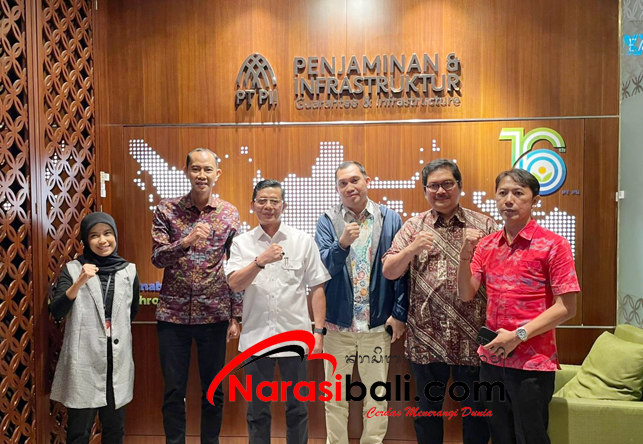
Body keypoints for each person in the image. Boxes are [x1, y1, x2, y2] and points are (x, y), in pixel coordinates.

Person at [458, 168, 579, 444]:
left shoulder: (553, 245)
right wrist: (464, 257)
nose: (509, 200)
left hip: (533, 364)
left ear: (534, 200)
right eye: (502, 193)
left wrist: (517, 335)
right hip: (492, 359)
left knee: (531, 437)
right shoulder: (487, 245)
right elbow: (466, 293)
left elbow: (566, 307)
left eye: (518, 193)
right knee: (500, 435)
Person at [382, 159, 495, 444]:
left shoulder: (484, 225)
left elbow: (499, 276)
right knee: (427, 412)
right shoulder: (414, 226)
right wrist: (411, 249)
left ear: (459, 186)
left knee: (476, 413)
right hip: (426, 338)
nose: (440, 191)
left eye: (447, 184)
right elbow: (389, 271)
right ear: (425, 190)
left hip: (473, 337)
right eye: (433, 186)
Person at [225, 179, 330, 444]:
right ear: (253, 205)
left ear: (284, 206)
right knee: (257, 411)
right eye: (262, 201)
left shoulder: (302, 241)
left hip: (295, 338)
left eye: (274, 201)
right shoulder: (241, 243)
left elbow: (317, 287)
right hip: (255, 340)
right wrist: (260, 261)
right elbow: (234, 283)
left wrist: (318, 332)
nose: (268, 206)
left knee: (298, 409)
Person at [151, 148, 241, 444]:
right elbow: (157, 258)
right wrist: (186, 241)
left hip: (214, 314)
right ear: (187, 171)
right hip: (172, 316)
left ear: (217, 174)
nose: (202, 175)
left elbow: (236, 266)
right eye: (196, 169)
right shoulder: (166, 209)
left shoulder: (229, 213)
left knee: (213, 391)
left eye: (207, 169)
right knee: (173, 391)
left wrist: (236, 315)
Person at [314, 161, 408, 444]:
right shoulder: (327, 220)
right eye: (343, 183)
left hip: (376, 326)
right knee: (334, 398)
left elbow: (402, 270)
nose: (349, 187)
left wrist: (399, 313)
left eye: (354, 180)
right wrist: (341, 243)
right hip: (337, 326)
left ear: (367, 180)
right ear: (337, 188)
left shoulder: (390, 219)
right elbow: (323, 268)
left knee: (376, 396)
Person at [51, 212, 140, 444]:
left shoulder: (129, 271)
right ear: (86, 240)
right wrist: (80, 281)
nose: (102, 240)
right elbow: (57, 310)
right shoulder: (73, 269)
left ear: (115, 236)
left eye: (107, 233)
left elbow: (132, 312)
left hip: (117, 361)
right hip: (84, 360)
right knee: (79, 431)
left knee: (114, 429)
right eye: (94, 235)